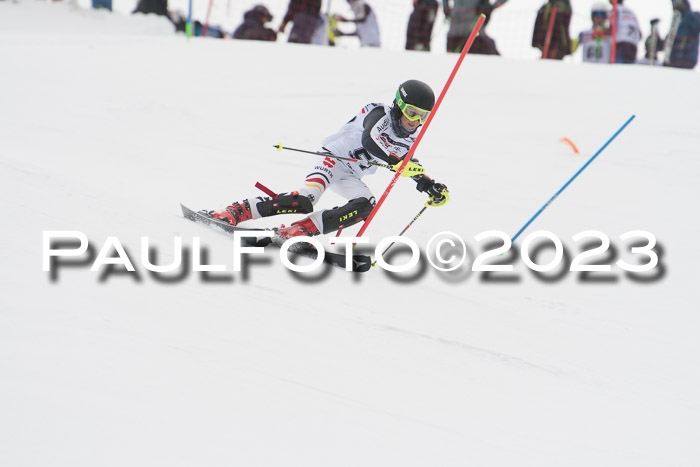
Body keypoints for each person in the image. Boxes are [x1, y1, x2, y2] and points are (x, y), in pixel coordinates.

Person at [206, 80, 450, 239]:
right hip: (332, 159)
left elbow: (411, 166)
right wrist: (396, 162)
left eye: (423, 117)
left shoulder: (410, 138)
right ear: (399, 105)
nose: (415, 122)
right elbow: (369, 141)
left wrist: (429, 185)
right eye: (411, 113)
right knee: (305, 200)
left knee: (365, 205)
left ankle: (301, 230)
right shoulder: (378, 112)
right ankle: (236, 211)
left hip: (351, 174)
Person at [666, 0, 700, 69]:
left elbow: (696, 27)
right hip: (673, 61)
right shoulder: (676, 20)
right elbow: (670, 40)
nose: (675, 5)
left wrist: (687, 12)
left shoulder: (693, 17)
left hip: (686, 60)